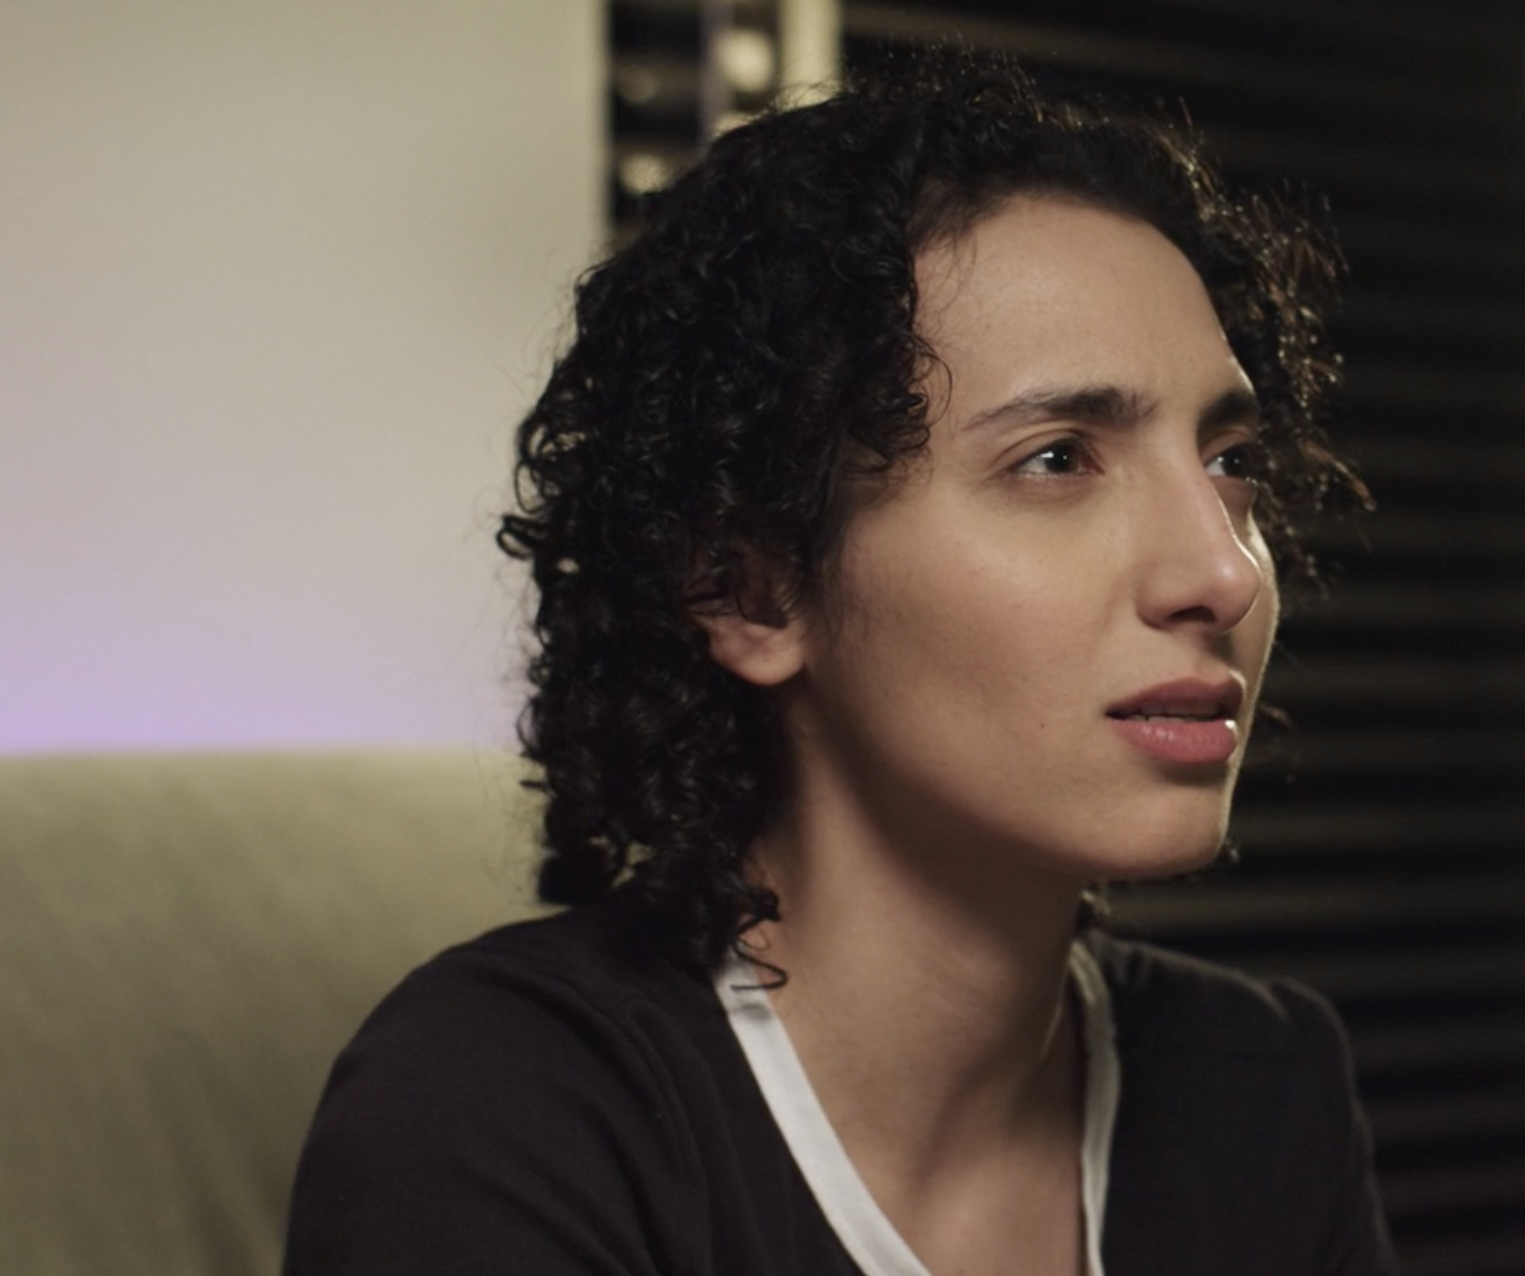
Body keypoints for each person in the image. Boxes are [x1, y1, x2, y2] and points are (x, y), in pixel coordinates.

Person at [284, 53, 1396, 1276]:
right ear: (751, 590)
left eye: (1229, 461)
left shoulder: (1260, 1084)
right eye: (1056, 460)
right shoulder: (500, 1110)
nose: (1224, 572)